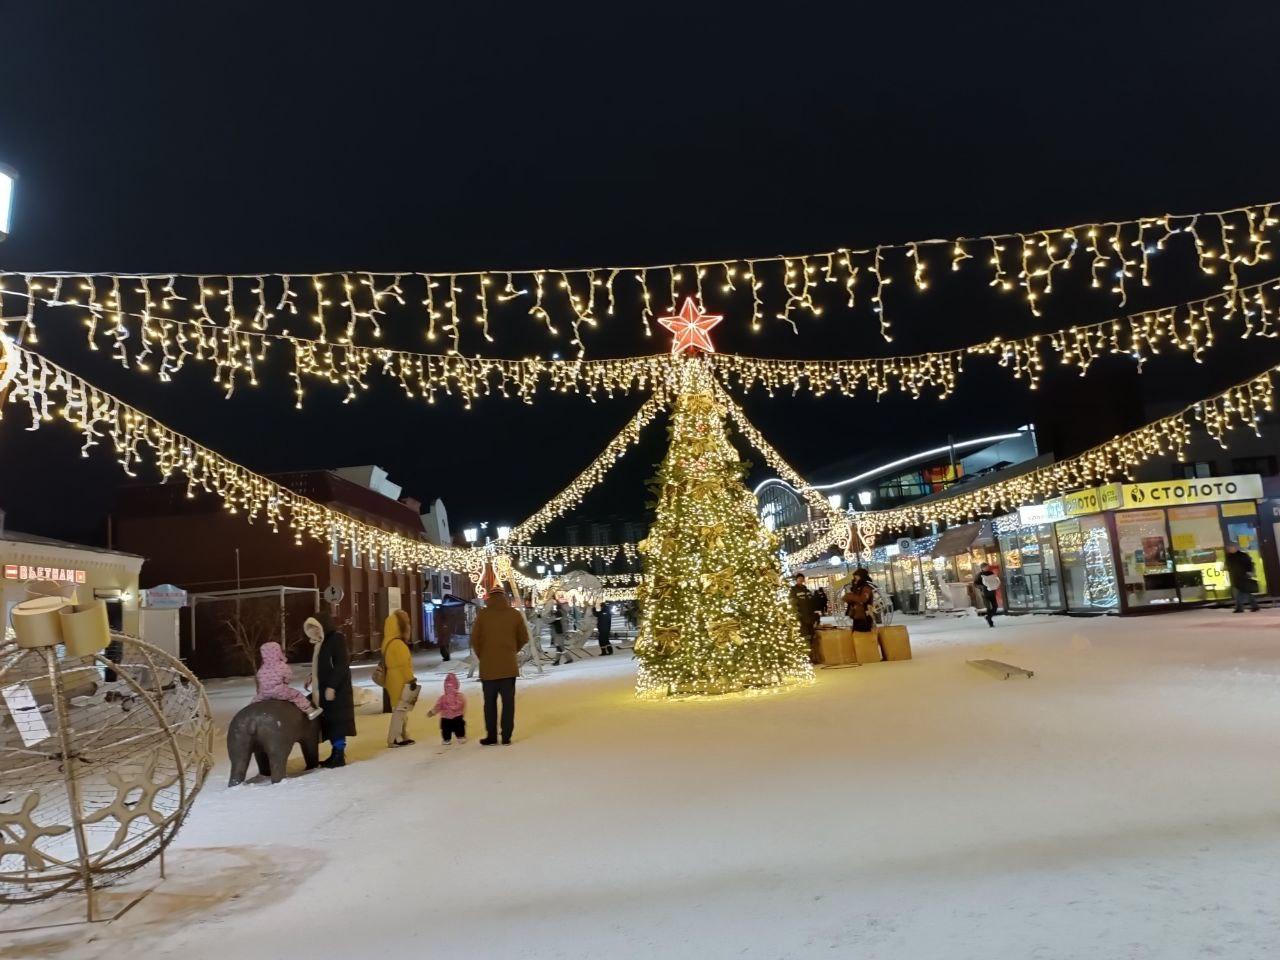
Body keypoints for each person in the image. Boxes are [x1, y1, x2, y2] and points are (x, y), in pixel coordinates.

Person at [470, 589, 530, 745]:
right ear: (505, 598)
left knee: (489, 703)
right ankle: (506, 736)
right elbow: (524, 637)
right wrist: (511, 650)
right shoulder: (514, 614)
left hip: (488, 668)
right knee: (508, 703)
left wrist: (483, 655)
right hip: (508, 667)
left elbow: (475, 639)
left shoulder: (483, 615)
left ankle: (491, 736)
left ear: (490, 598)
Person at [305, 612, 356, 768]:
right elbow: (324, 666)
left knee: (337, 722)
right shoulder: (321, 643)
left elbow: (341, 665)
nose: (313, 631)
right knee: (331, 722)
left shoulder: (336, 639)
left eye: (315, 627)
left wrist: (332, 687)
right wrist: (312, 676)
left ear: (322, 626)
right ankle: (335, 753)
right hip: (325, 690)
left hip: (337, 691)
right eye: (310, 628)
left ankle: (339, 755)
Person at [253, 640, 323, 719]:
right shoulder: (281, 665)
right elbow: (288, 676)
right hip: (279, 691)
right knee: (297, 695)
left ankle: (251, 710)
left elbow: (259, 678)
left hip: (264, 694)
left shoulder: (262, 668)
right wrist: (285, 682)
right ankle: (309, 710)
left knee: (254, 702)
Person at [380, 609, 417, 745]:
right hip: (400, 680)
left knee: (400, 709)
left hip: (392, 679)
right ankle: (394, 738)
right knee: (400, 710)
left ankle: (402, 735)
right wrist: (411, 679)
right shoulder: (398, 644)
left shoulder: (387, 642)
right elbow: (404, 666)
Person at [427, 672, 467, 744]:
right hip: (446, 717)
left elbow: (461, 704)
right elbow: (438, 706)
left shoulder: (459, 696)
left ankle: (460, 736)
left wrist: (455, 707)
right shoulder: (443, 697)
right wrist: (433, 712)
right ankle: (446, 738)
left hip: (457, 716)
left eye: (452, 687)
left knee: (459, 727)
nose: (450, 689)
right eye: (448, 687)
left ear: (456, 686)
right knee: (445, 729)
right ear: (445, 687)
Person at [789, 573, 819, 663]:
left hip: (809, 617)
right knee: (804, 637)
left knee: (811, 637)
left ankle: (813, 657)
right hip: (801, 618)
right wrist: (797, 614)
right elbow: (793, 603)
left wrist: (815, 614)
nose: (801, 580)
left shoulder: (806, 590)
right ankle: (806, 658)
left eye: (802, 578)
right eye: (799, 578)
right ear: (796, 580)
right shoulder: (793, 590)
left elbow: (811, 603)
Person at [1225, 543, 1260, 613]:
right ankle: (1254, 606)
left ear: (1236, 548)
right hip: (1235, 577)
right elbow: (1228, 566)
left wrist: (1249, 572)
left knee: (1241, 592)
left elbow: (1249, 564)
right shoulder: (1229, 556)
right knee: (1245, 592)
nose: (1230, 549)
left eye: (1231, 547)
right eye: (1229, 548)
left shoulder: (1243, 555)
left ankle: (1240, 608)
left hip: (1243, 576)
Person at [974, 563, 1000, 627]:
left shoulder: (991, 573)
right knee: (988, 607)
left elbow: (995, 580)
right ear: (982, 568)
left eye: (987, 566)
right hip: (984, 593)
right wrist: (981, 587)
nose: (987, 568)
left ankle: (988, 617)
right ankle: (990, 622)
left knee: (995, 606)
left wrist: (996, 584)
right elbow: (975, 584)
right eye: (986, 567)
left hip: (992, 592)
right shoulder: (979, 575)